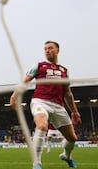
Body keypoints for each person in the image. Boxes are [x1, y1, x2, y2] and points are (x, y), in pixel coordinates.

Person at [10, 41, 82, 169]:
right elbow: (24, 81)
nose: (47, 50)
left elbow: (68, 94)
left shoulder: (64, 71)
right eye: (45, 49)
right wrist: (14, 95)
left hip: (58, 106)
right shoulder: (39, 66)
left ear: (58, 50)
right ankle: (36, 163)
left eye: (50, 48)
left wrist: (75, 112)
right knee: (42, 125)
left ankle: (66, 156)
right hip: (40, 101)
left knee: (72, 138)